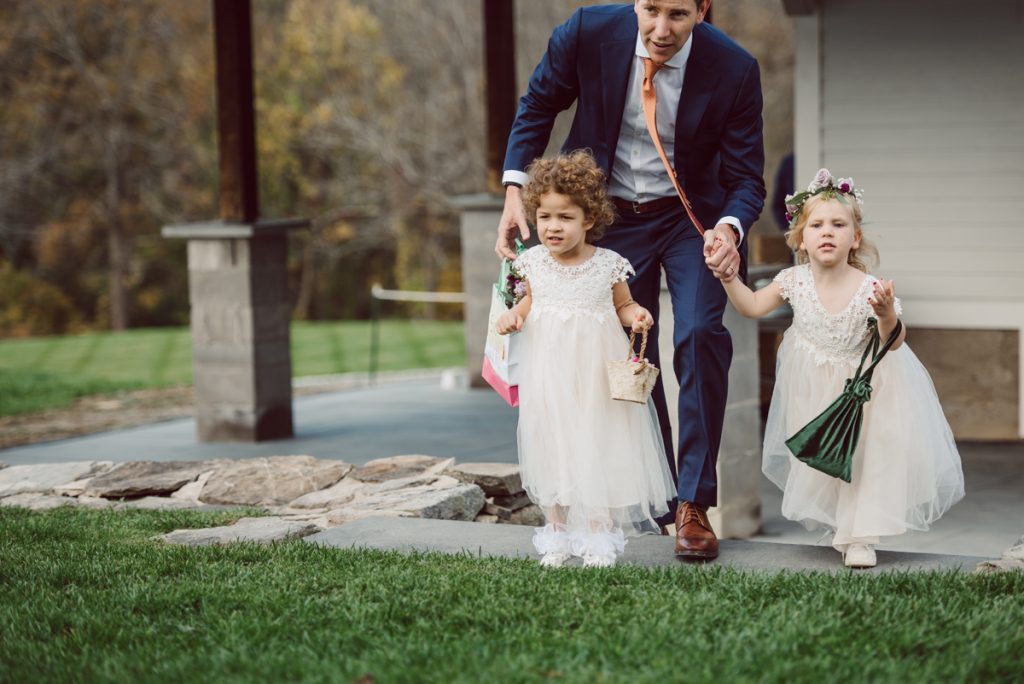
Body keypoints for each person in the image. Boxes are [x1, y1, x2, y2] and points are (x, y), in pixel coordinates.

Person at [495, 0, 766, 560]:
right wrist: (514, 193)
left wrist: (730, 229)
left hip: (692, 218)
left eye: (678, 15)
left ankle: (694, 503)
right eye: (650, 10)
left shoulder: (735, 67)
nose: (661, 29)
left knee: (696, 335)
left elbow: (745, 177)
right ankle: (659, 495)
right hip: (611, 217)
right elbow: (539, 104)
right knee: (625, 352)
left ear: (702, 9)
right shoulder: (587, 31)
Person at [712, 168, 965, 568]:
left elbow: (895, 341)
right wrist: (729, 279)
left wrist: (884, 314)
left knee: (867, 460)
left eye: (838, 224)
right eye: (816, 225)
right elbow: (753, 307)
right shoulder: (792, 280)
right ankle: (842, 524)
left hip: (867, 392)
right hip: (812, 388)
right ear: (801, 238)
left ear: (855, 238)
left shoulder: (869, 288)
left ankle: (861, 535)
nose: (827, 232)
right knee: (827, 463)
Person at [496, 151, 675, 568]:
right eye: (544, 217)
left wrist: (637, 315)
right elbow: (527, 305)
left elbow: (624, 306)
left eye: (565, 217)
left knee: (598, 444)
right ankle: (556, 531)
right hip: (550, 377)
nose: (552, 227)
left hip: (595, 377)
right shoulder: (532, 264)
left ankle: (598, 534)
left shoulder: (607, 265)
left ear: (588, 219)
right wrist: (512, 317)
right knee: (554, 447)